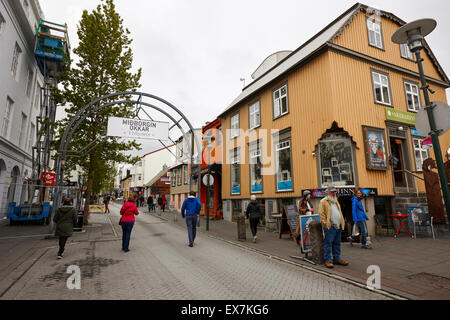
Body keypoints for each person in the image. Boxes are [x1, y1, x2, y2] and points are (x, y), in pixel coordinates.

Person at [318, 185, 349, 269]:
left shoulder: (335, 201)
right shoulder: (323, 201)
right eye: (332, 191)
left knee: (337, 243)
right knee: (328, 243)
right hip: (330, 226)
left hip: (338, 225)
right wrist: (326, 224)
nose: (334, 193)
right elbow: (321, 214)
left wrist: (341, 222)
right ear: (327, 192)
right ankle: (328, 260)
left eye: (334, 191)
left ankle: (337, 258)